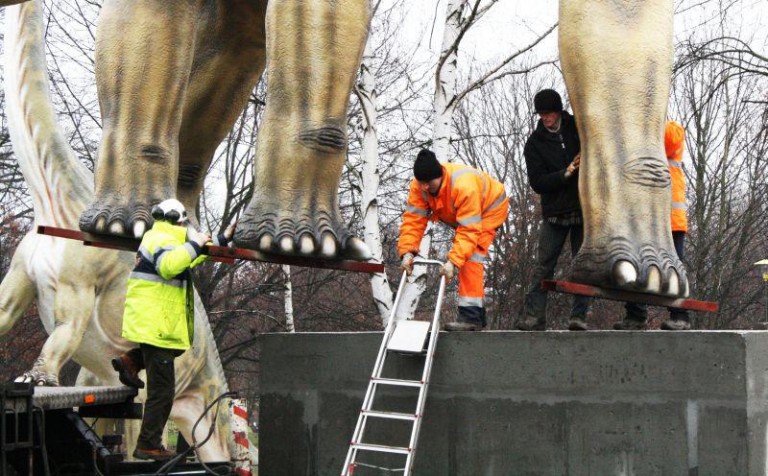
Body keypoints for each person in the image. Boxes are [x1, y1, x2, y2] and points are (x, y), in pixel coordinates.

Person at [111, 198, 235, 461]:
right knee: (163, 391)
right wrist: (195, 242)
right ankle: (148, 444)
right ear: (178, 220)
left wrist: (220, 241)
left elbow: (187, 260)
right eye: (183, 221)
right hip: (157, 324)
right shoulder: (163, 241)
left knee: (176, 348)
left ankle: (131, 361)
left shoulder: (162, 237)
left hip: (156, 324)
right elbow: (170, 265)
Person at [398, 149, 509, 331]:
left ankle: (471, 317)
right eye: (421, 183)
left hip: (490, 209)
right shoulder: (419, 187)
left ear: (440, 176)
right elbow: (413, 220)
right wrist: (407, 252)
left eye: (429, 183)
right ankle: (478, 316)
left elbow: (469, 230)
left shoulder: (463, 186)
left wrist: (453, 262)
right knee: (463, 252)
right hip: (464, 216)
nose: (425, 187)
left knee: (471, 257)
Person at [514, 89, 593, 331]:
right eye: (541, 114)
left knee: (583, 265)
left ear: (558, 112)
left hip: (584, 208)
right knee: (544, 264)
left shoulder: (578, 126)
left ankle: (579, 317)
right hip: (555, 213)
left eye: (548, 113)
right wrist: (565, 173)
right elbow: (537, 182)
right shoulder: (534, 144)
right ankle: (534, 316)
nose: (545, 118)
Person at [613, 120, 691, 330]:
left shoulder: (670, 129)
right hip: (642, 217)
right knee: (636, 264)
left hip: (669, 218)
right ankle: (636, 315)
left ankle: (680, 315)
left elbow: (667, 140)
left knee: (673, 266)